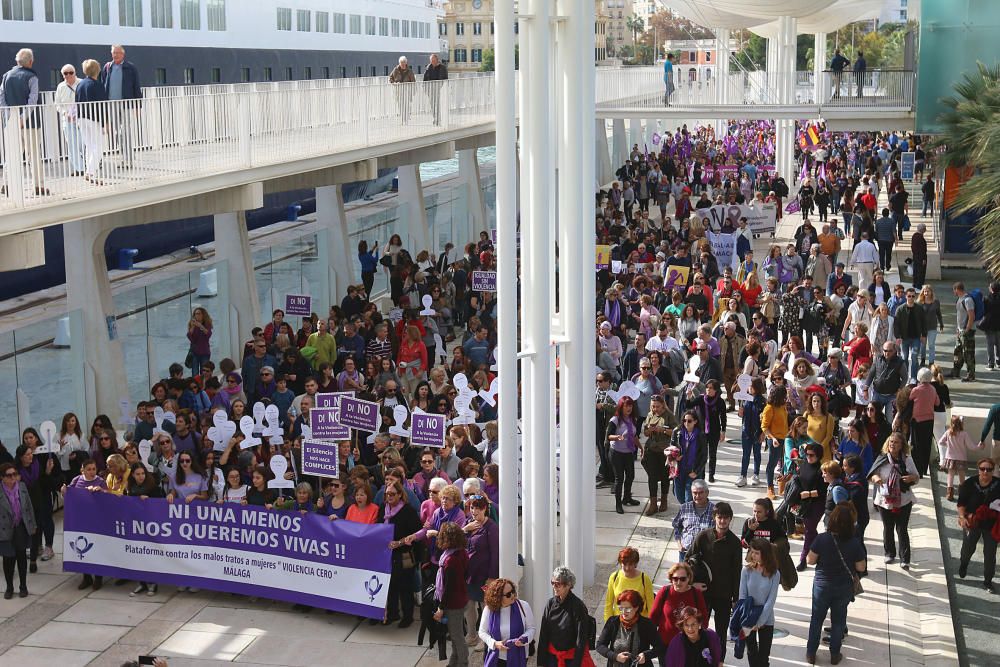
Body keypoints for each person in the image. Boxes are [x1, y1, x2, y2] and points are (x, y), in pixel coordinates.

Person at [805, 503, 867, 665]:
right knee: (838, 621)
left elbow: (810, 561)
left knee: (816, 620)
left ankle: (811, 653)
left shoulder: (822, 539)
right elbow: (861, 567)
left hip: (821, 586)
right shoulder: (854, 543)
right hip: (843, 587)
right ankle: (834, 654)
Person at [685, 502, 740, 659]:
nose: (722, 521)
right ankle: (699, 660)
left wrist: (735, 598)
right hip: (703, 593)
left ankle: (719, 661)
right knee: (699, 630)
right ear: (714, 518)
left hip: (723, 596)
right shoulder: (703, 536)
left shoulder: (735, 543)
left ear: (730, 520)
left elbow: (737, 572)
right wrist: (691, 584)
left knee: (721, 633)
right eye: (719, 517)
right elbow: (688, 560)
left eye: (726, 518)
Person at [869, 432, 920, 569]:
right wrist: (876, 479)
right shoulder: (882, 458)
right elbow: (872, 473)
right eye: (891, 441)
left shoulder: (907, 460)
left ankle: (905, 558)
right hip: (885, 500)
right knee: (888, 527)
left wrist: (910, 478)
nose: (892, 444)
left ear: (902, 445)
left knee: (902, 529)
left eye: (896, 442)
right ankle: (889, 553)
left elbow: (916, 476)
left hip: (903, 499)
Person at [0, 49, 47, 196]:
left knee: (12, 154)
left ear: (17, 62)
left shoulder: (6, 76)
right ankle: (38, 186)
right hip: (30, 124)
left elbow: (1, 97)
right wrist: (22, 118)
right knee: (33, 155)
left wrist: (11, 116)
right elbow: (32, 101)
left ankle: (6, 184)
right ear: (31, 61)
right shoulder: (32, 77)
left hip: (11, 123)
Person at [956, 458, 1000, 593]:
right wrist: (963, 517)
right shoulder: (970, 483)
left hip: (991, 525)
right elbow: (961, 503)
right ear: (978, 469)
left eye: (989, 469)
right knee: (968, 548)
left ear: (993, 471)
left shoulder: (999, 484)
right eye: (982, 469)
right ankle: (964, 564)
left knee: (990, 554)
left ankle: (988, 581)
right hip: (972, 521)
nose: (985, 472)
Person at [537, 566, 595, 667]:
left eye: (558, 584)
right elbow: (544, 634)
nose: (554, 587)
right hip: (552, 657)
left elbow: (581, 638)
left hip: (570, 658)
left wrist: (576, 664)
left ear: (568, 585)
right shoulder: (550, 604)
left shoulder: (578, 606)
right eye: (553, 583)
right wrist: (541, 662)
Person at [738, 538, 781, 667]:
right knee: (751, 654)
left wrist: (759, 622)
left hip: (766, 620)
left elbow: (771, 600)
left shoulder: (775, 574)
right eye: (752, 552)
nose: (753, 555)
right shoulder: (746, 571)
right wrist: (749, 621)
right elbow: (742, 596)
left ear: (765, 554)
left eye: (757, 553)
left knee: (763, 657)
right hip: (748, 618)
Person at [432, 521, 470, 667]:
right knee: (455, 635)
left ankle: (462, 662)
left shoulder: (450, 560)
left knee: (456, 636)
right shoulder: (461, 553)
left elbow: (449, 588)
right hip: (461, 598)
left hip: (454, 604)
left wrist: (441, 608)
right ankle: (454, 661)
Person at [596, 589, 664, 667]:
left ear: (636, 608)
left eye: (627, 608)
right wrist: (615, 656)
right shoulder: (613, 622)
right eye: (621, 608)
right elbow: (600, 645)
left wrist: (646, 655)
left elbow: (660, 647)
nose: (624, 612)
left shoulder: (647, 624)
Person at [99, 44, 142, 167]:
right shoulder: (107, 67)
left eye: (117, 52)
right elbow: (103, 85)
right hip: (111, 104)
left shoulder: (131, 68)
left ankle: (128, 159)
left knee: (126, 131)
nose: (115, 55)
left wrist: (137, 106)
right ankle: (124, 158)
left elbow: (136, 86)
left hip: (126, 104)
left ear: (123, 54)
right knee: (117, 133)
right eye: (113, 52)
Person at [478, 578, 536, 667]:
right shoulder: (489, 609)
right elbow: (482, 632)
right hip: (497, 658)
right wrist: (495, 643)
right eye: (508, 594)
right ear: (498, 597)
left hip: (519, 656)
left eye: (513, 591)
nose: (513, 595)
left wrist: (524, 638)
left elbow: (531, 628)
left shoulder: (524, 606)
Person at [650, 561, 708, 649]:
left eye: (683, 579)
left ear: (689, 578)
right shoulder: (664, 592)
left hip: (689, 645)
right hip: (665, 644)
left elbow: (704, 618)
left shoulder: (696, 593)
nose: (678, 582)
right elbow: (653, 617)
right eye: (675, 579)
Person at [0, 462, 37, 599]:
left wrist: (32, 524)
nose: (12, 478)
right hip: (4, 529)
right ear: (2, 477)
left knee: (21, 556)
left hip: (20, 526)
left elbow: (29, 506)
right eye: (9, 475)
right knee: (8, 559)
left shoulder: (21, 487)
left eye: (15, 474)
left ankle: (23, 586)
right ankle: (9, 587)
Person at [606, 396, 641, 514]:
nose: (629, 408)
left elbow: (634, 436)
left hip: (628, 452)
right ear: (621, 407)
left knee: (630, 476)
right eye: (626, 405)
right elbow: (608, 436)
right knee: (619, 479)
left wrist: (641, 448)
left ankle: (627, 498)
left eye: (631, 405)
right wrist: (617, 437)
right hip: (616, 453)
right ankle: (618, 504)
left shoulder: (632, 419)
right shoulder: (615, 420)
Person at [603, 547, 654, 621]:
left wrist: (650, 626)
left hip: (639, 623)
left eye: (630, 564)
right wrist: (608, 623)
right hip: (619, 622)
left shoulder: (644, 579)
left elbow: (651, 606)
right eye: (624, 564)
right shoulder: (614, 577)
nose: (627, 568)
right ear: (620, 563)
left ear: (635, 564)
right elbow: (608, 604)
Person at [54, 63, 85, 176]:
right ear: (63, 75)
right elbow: (57, 104)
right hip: (67, 119)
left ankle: (88, 162)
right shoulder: (60, 87)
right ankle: (79, 169)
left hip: (81, 118)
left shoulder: (81, 83)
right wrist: (64, 113)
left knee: (83, 142)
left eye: (70, 73)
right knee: (72, 144)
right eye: (65, 73)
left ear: (75, 73)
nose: (68, 75)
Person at [672, 480, 714, 561]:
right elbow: (677, 526)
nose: (697, 496)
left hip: (705, 556)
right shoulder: (684, 508)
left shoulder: (714, 510)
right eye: (695, 493)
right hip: (685, 553)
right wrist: (679, 544)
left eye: (701, 492)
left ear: (707, 493)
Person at [952, 281, 978, 382]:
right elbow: (960, 315)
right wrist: (958, 329)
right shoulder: (960, 299)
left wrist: (967, 329)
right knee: (958, 351)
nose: (953, 292)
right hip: (960, 330)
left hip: (967, 331)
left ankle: (971, 375)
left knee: (968, 353)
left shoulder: (968, 300)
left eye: (954, 290)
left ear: (957, 290)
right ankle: (956, 371)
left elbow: (971, 316)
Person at [388, 56, 416, 124]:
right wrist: (394, 83)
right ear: (399, 63)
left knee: (406, 105)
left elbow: (413, 81)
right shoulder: (396, 69)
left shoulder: (409, 71)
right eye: (401, 63)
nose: (403, 64)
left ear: (406, 63)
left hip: (407, 91)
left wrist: (412, 90)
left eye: (404, 63)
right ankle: (403, 119)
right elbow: (390, 78)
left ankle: (406, 118)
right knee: (401, 105)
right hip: (399, 91)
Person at [423, 53, 448, 126]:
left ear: (437, 60)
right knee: (433, 105)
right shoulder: (428, 67)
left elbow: (445, 78)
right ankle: (435, 119)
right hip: (431, 90)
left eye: (434, 60)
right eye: (431, 60)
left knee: (438, 105)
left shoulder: (442, 67)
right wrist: (425, 88)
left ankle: (439, 119)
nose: (432, 62)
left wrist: (440, 87)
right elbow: (425, 79)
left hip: (440, 90)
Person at [982, 281, 1000, 371]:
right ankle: (998, 362)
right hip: (998, 324)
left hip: (989, 324)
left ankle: (991, 364)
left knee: (990, 344)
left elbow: (983, 311)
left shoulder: (987, 299)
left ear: (992, 289)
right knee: (998, 343)